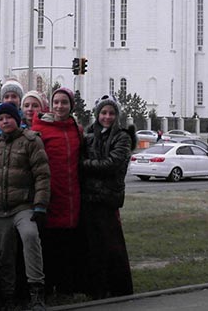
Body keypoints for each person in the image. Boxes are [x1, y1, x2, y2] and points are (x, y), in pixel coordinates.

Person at [0, 103, 50, 310]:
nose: (5, 122)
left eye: (8, 117)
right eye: (1, 119)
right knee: (5, 253)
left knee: (29, 237)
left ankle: (37, 291)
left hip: (24, 206)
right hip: (0, 209)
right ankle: (8, 295)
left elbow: (42, 175)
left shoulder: (31, 141)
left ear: (16, 119)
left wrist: (40, 204)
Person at [80, 95, 135, 299]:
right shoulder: (89, 135)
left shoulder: (122, 137)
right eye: (103, 113)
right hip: (89, 198)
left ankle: (120, 287)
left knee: (112, 245)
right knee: (93, 246)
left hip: (108, 198)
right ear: (97, 114)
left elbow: (112, 164)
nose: (107, 117)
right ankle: (96, 288)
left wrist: (85, 166)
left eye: (111, 113)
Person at [30, 87, 84, 295]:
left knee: (68, 241)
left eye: (64, 102)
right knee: (49, 242)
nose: (60, 106)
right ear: (50, 106)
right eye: (56, 102)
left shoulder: (76, 130)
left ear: (71, 106)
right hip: (49, 193)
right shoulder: (40, 128)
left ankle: (66, 284)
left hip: (71, 193)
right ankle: (49, 283)